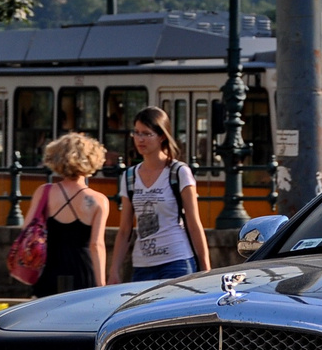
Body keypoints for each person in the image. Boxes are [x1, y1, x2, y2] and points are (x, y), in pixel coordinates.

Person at [109, 107, 211, 282]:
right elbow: (125, 229)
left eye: (147, 134)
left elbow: (194, 224)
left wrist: (206, 268)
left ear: (162, 136)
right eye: (137, 133)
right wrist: (114, 270)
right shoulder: (130, 176)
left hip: (176, 261)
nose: (140, 139)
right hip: (142, 265)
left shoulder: (178, 172)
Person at [29, 132, 111, 297]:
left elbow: (28, 229)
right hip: (83, 272)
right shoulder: (98, 200)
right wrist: (101, 284)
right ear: (92, 159)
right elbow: (96, 245)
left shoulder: (44, 192)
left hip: (50, 270)